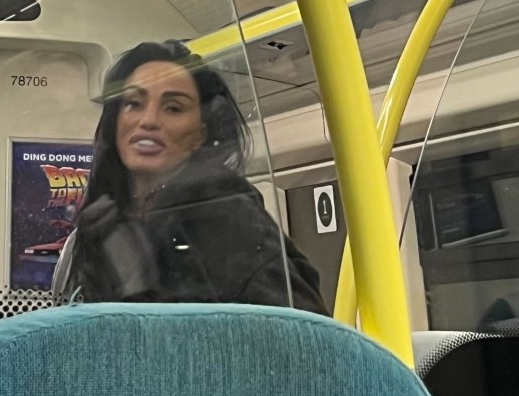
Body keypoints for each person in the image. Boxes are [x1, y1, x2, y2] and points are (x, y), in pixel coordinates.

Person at [52, 40, 328, 315]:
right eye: (134, 104)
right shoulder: (97, 228)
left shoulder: (230, 221)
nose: (148, 120)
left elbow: (302, 336)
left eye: (173, 108)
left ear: (200, 134)